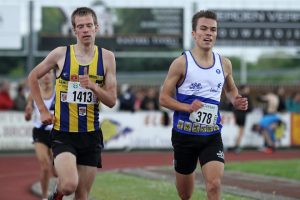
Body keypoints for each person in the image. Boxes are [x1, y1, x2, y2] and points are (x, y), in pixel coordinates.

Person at [27, 7, 117, 200]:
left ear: (96, 27)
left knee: (82, 195)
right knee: (69, 185)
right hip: (64, 133)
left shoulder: (107, 58)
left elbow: (111, 100)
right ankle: (57, 194)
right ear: (74, 30)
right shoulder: (61, 54)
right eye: (81, 26)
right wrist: (42, 110)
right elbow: (32, 77)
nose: (85, 30)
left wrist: (94, 86)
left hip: (91, 135)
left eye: (89, 25)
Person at [159, 10, 248, 200]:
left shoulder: (224, 64)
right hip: (184, 136)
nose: (208, 33)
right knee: (185, 195)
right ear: (194, 33)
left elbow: (230, 90)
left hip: (211, 135)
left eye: (213, 30)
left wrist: (236, 100)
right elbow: (163, 99)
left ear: (216, 33)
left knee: (214, 185)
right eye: (204, 29)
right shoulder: (181, 63)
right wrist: (187, 107)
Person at [24, 71, 56, 200]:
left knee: (56, 171)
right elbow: (27, 116)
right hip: (40, 133)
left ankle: (57, 194)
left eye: (49, 73)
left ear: (54, 75)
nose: (47, 76)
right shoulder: (33, 93)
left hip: (56, 133)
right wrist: (27, 114)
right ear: (39, 76)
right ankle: (44, 197)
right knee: (45, 166)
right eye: (44, 73)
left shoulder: (59, 92)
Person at [231, 85, 253, 153]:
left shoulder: (237, 96)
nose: (248, 90)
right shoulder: (247, 97)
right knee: (241, 131)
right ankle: (237, 146)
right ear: (243, 89)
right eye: (247, 89)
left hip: (237, 114)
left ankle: (235, 145)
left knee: (238, 131)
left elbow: (232, 105)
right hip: (242, 115)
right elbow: (250, 108)